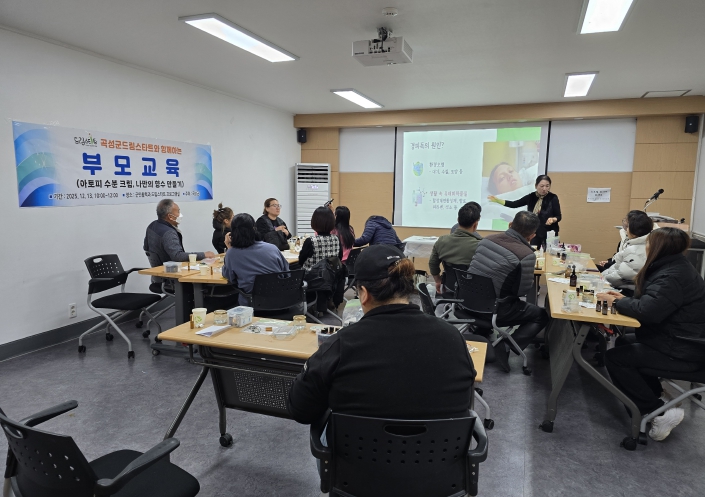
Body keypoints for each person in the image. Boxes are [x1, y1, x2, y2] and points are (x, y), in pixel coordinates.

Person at [286, 244, 476, 425]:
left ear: (364, 294)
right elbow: (464, 401)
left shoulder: (340, 344)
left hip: (357, 447)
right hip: (438, 447)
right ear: (407, 288)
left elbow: (300, 409)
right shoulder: (452, 338)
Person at [598, 228, 705, 441]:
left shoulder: (671, 275)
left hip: (683, 350)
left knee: (615, 358)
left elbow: (648, 311)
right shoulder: (674, 267)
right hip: (678, 339)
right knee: (623, 341)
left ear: (657, 247)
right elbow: (654, 302)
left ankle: (657, 412)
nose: (645, 247)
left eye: (648, 243)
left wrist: (617, 303)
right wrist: (622, 298)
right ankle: (655, 396)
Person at [469, 211, 549, 372]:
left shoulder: (486, 240)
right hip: (495, 311)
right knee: (541, 315)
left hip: (467, 302)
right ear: (532, 236)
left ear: (510, 224)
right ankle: (506, 346)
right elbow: (521, 291)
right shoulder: (526, 255)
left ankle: (482, 330)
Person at [144, 199, 216, 292]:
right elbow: (178, 256)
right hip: (171, 278)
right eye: (178, 211)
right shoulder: (168, 232)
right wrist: (204, 254)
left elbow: (146, 247)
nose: (180, 215)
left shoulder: (152, 226)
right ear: (170, 216)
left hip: (159, 276)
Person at [223, 213, 290, 305]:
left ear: (232, 233)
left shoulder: (232, 254)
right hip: (281, 301)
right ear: (254, 229)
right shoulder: (272, 248)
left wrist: (229, 248)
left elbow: (230, 277)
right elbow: (287, 273)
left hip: (252, 304)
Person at [488, 174, 561, 249]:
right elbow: (514, 204)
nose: (544, 189)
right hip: (535, 233)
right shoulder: (531, 197)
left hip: (550, 233)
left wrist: (553, 219)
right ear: (536, 186)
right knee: (534, 252)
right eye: (542, 186)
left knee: (550, 253)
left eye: (547, 186)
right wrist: (498, 200)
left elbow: (558, 216)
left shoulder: (553, 198)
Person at [429, 202, 483, 294]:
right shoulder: (481, 246)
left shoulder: (441, 241)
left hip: (449, 287)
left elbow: (432, 263)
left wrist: (438, 281)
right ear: (475, 224)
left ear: (458, 220)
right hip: (474, 292)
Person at [601, 210, 654, 292]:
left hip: (628, 290)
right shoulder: (638, 244)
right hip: (625, 285)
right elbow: (618, 267)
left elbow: (621, 275)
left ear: (634, 232)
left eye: (628, 226)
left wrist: (602, 278)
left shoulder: (635, 250)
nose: (626, 229)